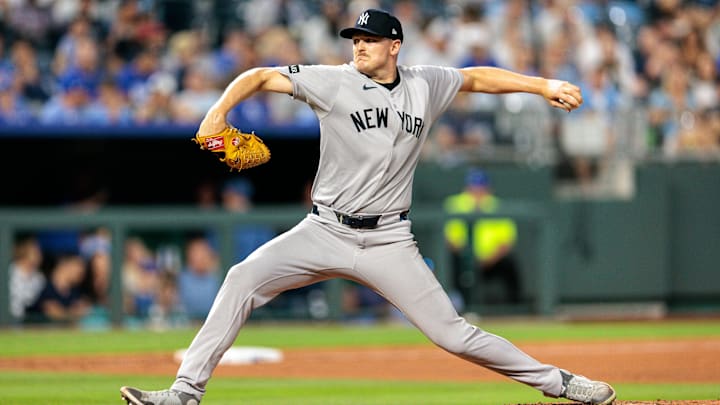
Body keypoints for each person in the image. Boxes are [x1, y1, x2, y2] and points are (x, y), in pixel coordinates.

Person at [120, 8, 615, 405]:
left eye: (369, 40)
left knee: (454, 335)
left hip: (389, 240)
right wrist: (216, 112)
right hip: (324, 230)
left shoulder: (425, 83)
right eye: (355, 39)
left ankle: (562, 383)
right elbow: (259, 74)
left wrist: (543, 86)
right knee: (241, 278)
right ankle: (184, 394)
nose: (358, 45)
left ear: (394, 46)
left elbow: (475, 78)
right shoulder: (332, 81)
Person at [444, 169, 522, 308]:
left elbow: (506, 241)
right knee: (450, 264)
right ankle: (458, 307)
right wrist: (467, 257)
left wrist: (488, 260)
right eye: (474, 187)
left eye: (481, 187)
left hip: (491, 261)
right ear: (467, 187)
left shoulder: (497, 205)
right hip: (463, 258)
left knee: (510, 265)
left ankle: (514, 309)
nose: (478, 192)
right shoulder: (454, 203)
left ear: (488, 188)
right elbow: (450, 239)